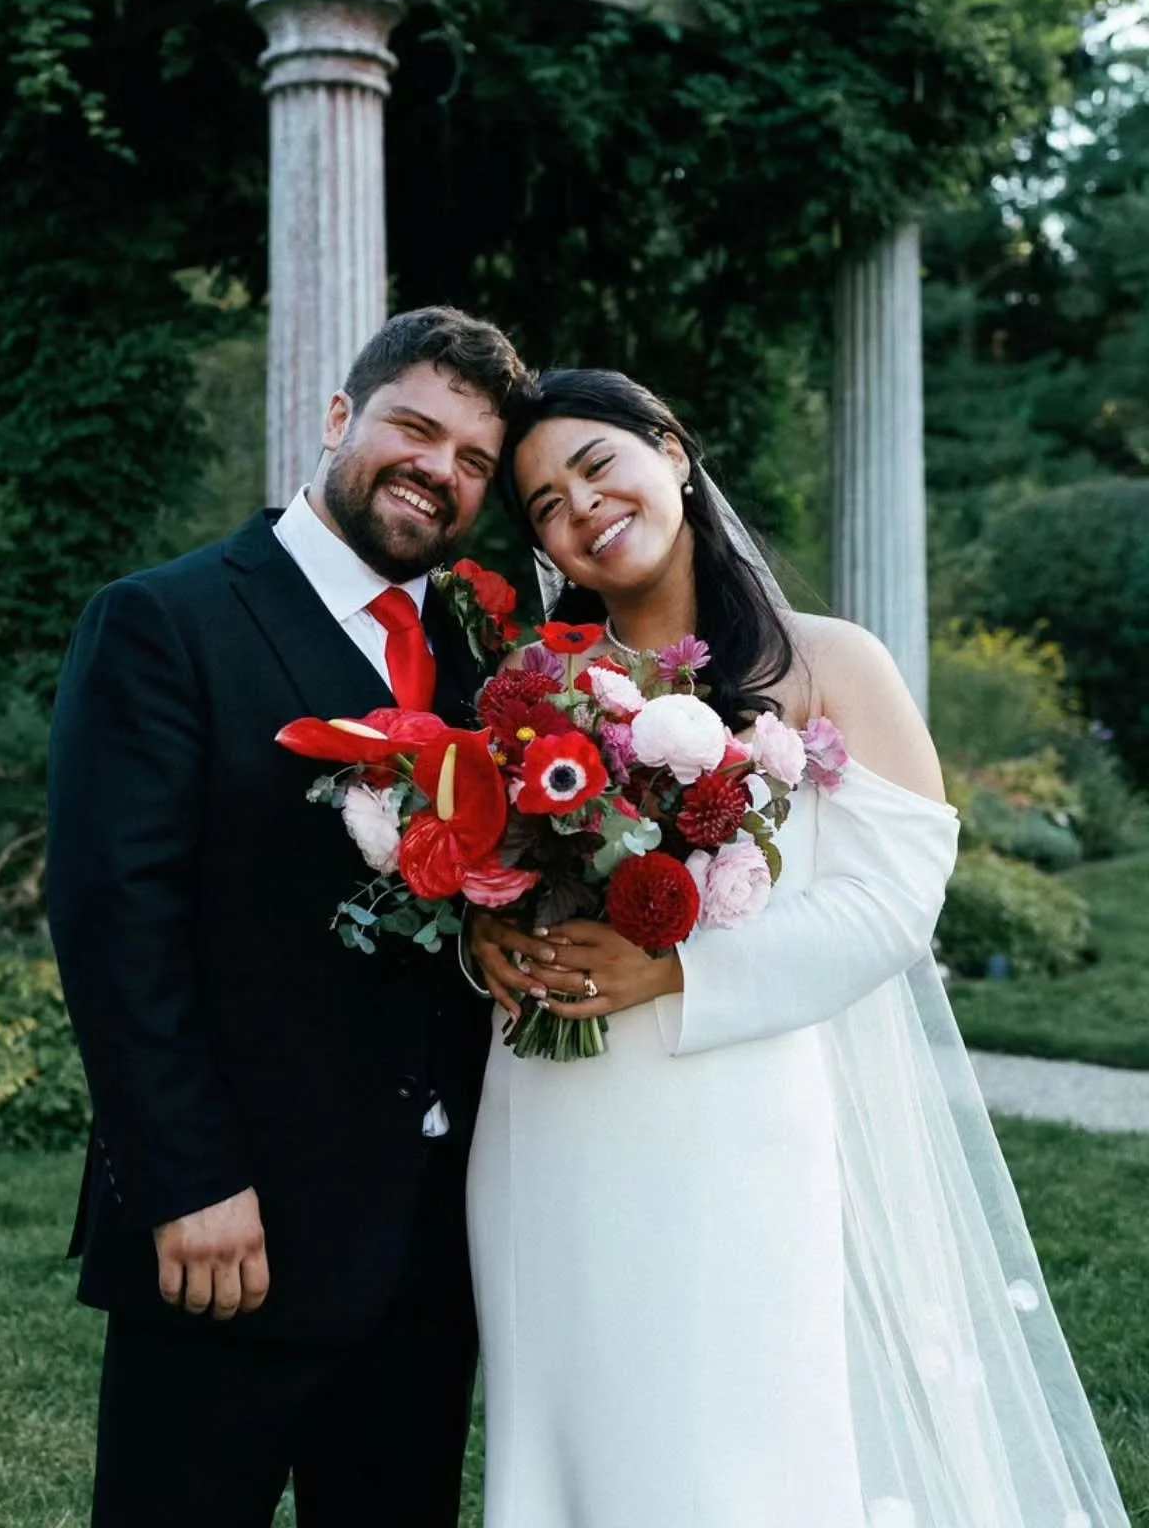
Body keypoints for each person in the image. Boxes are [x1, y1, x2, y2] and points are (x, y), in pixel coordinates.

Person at [468, 368, 1130, 1528]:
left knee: (732, 1444)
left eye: (595, 466)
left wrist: (678, 967)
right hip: (547, 1123)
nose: (580, 508)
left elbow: (894, 902)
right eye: (545, 507)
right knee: (572, 1435)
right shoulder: (535, 692)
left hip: (732, 1116)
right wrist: (485, 929)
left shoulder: (830, 661)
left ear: (671, 450)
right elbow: (504, 872)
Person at [47, 306, 526, 1528]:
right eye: (415, 429)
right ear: (337, 422)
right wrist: (185, 1181)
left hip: (425, 1258)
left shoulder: (477, 666)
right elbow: (117, 925)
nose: (440, 471)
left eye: (474, 461)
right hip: (230, 1240)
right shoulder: (168, 621)